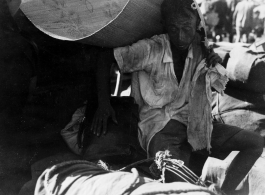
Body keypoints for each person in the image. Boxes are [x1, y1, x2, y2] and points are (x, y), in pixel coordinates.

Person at [92, 0, 264, 194]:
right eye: (173, 28)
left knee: (255, 143)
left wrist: (213, 66)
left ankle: (222, 192)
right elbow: (106, 58)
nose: (180, 36)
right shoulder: (152, 49)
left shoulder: (200, 48)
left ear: (197, 24)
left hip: (196, 126)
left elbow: (216, 86)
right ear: (165, 25)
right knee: (182, 186)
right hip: (160, 131)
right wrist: (104, 105)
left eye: (186, 28)